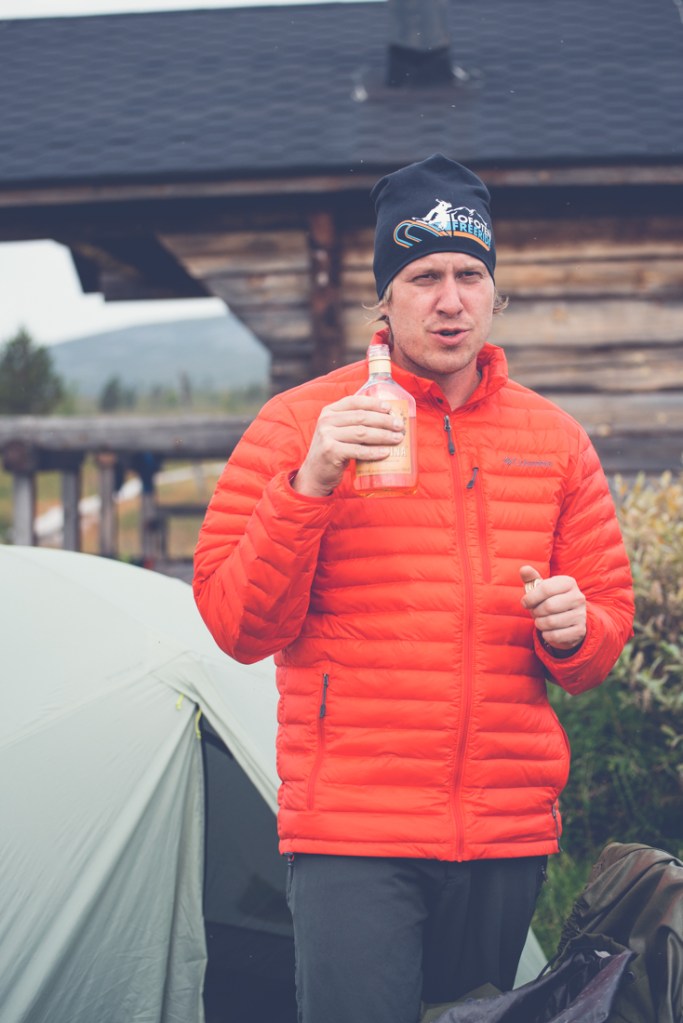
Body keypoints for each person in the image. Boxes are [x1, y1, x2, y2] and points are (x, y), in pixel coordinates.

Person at [193, 154, 635, 1023]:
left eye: (469, 275)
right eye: (423, 276)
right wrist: (310, 481)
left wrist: (575, 627)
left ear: (494, 294)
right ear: (383, 300)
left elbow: (601, 638)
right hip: (353, 832)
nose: (449, 299)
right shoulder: (298, 424)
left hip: (505, 830)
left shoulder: (554, 439)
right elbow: (238, 624)